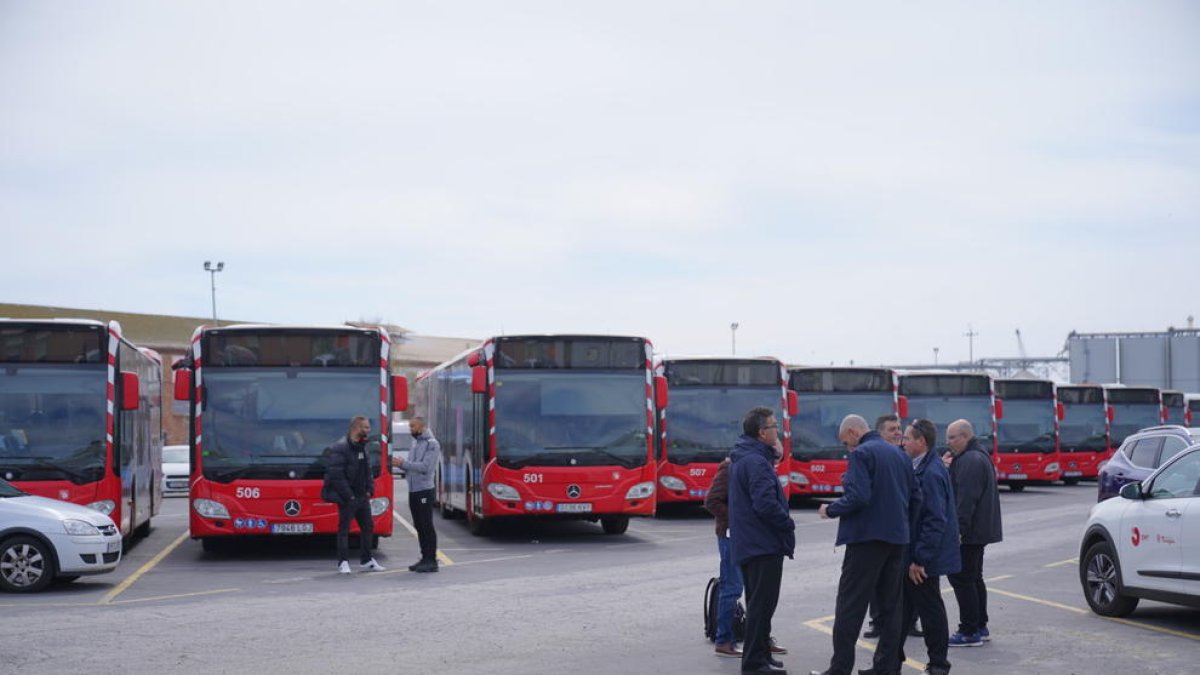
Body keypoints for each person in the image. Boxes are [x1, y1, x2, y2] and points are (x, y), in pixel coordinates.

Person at [811, 415, 920, 675]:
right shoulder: (900, 455)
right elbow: (917, 498)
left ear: (852, 432)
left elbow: (859, 496)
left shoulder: (861, 454)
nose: (846, 448)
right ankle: (886, 668)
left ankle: (840, 669)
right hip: (897, 539)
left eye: (845, 442)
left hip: (866, 540)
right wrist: (903, 529)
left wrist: (831, 509)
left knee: (850, 605)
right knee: (891, 607)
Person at [729, 407, 795, 674]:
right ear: (761, 432)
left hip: (752, 543)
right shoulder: (755, 462)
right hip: (762, 545)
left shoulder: (747, 458)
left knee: (761, 604)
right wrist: (787, 522)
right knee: (761, 606)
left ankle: (761, 655)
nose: (777, 431)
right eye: (773, 427)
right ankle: (755, 663)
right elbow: (765, 504)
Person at [705, 454, 790, 660]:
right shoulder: (730, 468)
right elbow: (711, 501)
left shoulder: (760, 468)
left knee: (758, 591)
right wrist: (738, 518)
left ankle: (761, 640)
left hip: (751, 536)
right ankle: (724, 640)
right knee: (732, 587)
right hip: (731, 536)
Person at [896, 419, 960, 675]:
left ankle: (938, 664)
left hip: (923, 559)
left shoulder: (931, 472)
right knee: (903, 611)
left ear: (921, 442)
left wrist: (919, 559)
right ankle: (889, 663)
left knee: (929, 610)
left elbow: (934, 519)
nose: (903, 442)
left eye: (908, 438)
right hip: (917, 554)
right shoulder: (921, 467)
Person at [944, 419, 1002, 647]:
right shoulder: (976, 456)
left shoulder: (970, 460)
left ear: (965, 436)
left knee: (962, 578)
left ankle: (969, 630)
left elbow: (966, 501)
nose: (948, 443)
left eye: (952, 438)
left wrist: (958, 531)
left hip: (970, 533)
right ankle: (980, 624)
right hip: (979, 531)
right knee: (974, 577)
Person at [864, 414, 915, 639]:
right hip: (877, 533)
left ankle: (908, 622)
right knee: (877, 582)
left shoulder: (904, 457)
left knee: (901, 583)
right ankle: (878, 621)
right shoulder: (871, 456)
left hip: (900, 531)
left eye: (899, 429)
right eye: (892, 429)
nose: (897, 433)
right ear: (879, 433)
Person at [324, 416, 385, 574]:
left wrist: (369, 489)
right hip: (347, 498)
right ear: (356, 428)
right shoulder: (340, 447)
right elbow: (336, 475)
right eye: (365, 427)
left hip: (362, 496)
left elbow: (367, 470)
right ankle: (343, 562)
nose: (368, 430)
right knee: (344, 529)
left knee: (368, 527)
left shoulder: (362, 446)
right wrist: (349, 496)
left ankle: (367, 560)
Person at [392, 416, 440, 573]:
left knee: (426, 524)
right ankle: (424, 556)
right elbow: (413, 467)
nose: (410, 429)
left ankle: (431, 560)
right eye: (409, 426)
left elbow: (426, 467)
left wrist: (403, 464)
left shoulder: (431, 444)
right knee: (418, 524)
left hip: (424, 489)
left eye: (413, 426)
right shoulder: (415, 443)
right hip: (413, 489)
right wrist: (403, 466)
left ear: (422, 426)